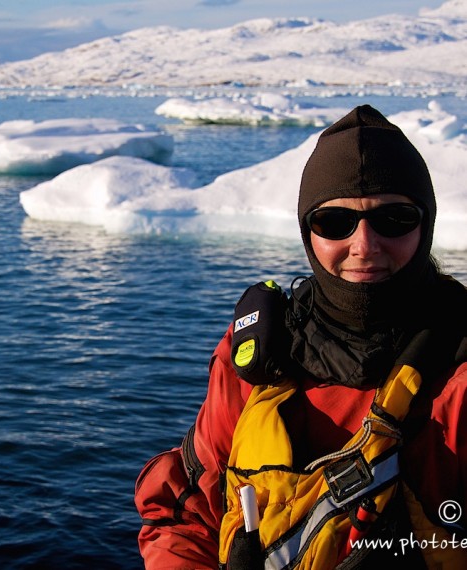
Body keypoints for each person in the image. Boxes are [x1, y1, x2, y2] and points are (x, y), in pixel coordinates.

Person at [134, 105, 467, 569]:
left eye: (395, 219)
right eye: (334, 223)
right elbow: (187, 515)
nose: (365, 246)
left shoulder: (459, 371)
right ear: (307, 232)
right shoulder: (259, 352)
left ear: (426, 224)